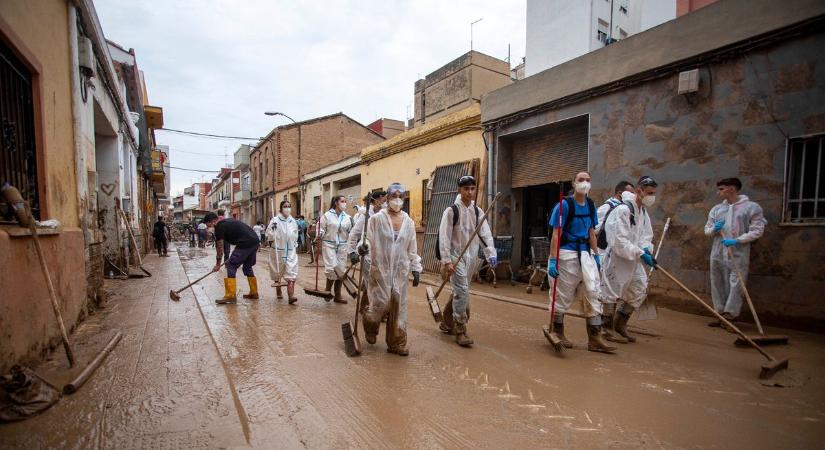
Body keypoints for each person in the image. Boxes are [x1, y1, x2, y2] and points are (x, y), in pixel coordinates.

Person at [546, 171, 616, 354]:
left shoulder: (591, 205)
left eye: (588, 180)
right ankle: (558, 330)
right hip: (566, 253)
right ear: (574, 183)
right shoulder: (564, 205)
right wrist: (553, 260)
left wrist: (596, 255)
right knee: (563, 293)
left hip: (586, 254)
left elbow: (592, 232)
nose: (585, 183)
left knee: (593, 292)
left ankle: (595, 337)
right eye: (581, 180)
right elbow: (556, 234)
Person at [361, 184, 421, 356]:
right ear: (387, 198)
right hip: (379, 269)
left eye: (401, 196)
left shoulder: (408, 222)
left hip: (400, 272)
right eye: (394, 195)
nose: (397, 199)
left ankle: (396, 342)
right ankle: (370, 326)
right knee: (380, 304)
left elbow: (412, 248)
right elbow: (366, 238)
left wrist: (416, 267)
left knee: (399, 306)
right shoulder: (377, 219)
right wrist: (362, 247)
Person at [437, 175, 497, 347]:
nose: (470, 192)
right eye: (466, 189)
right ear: (459, 190)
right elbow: (444, 237)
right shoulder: (451, 211)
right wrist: (447, 260)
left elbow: (485, 234)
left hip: (471, 255)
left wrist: (490, 253)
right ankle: (460, 328)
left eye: (472, 188)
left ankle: (446, 322)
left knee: (460, 289)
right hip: (455, 255)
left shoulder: (477, 211)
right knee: (462, 289)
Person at [601, 175, 658, 343]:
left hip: (634, 259)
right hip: (618, 260)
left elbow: (646, 235)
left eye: (654, 193)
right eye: (649, 193)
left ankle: (620, 324)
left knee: (639, 288)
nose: (652, 197)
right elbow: (619, 241)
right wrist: (641, 253)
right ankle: (606, 329)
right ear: (639, 191)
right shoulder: (623, 210)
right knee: (611, 292)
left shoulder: (643, 212)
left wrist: (646, 248)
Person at [704, 177, 766, 328]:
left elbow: (758, 230)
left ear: (732, 189)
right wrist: (714, 229)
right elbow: (707, 230)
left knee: (736, 282)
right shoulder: (717, 209)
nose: (718, 192)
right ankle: (720, 314)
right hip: (718, 250)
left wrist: (738, 240)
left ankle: (730, 315)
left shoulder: (751, 208)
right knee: (717, 281)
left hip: (738, 251)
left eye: (721, 189)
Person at [595, 180, 634, 339]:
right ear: (620, 193)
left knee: (632, 288)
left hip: (624, 254)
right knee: (607, 288)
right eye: (631, 192)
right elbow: (594, 229)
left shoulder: (630, 210)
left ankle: (618, 323)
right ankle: (605, 326)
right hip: (606, 252)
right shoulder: (607, 208)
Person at [205, 211, 261, 304]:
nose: (208, 229)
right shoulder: (227, 222)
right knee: (247, 267)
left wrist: (217, 265)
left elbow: (220, 248)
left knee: (231, 265)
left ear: (214, 221)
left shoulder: (219, 227)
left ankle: (230, 295)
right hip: (254, 241)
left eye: (208, 226)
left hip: (245, 243)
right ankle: (254, 292)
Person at [347, 190, 387, 315]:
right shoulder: (365, 216)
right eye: (383, 200)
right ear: (376, 200)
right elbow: (354, 234)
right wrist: (352, 252)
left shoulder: (386, 215)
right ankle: (373, 309)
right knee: (374, 281)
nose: (385, 203)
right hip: (367, 252)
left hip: (382, 253)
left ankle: (365, 306)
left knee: (374, 282)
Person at [317, 195, 353, 303]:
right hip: (329, 245)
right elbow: (321, 228)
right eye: (342, 201)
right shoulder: (327, 216)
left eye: (345, 201)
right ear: (336, 203)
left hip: (342, 245)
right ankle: (328, 291)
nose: (344, 203)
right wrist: (320, 234)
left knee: (341, 270)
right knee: (332, 268)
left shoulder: (347, 217)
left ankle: (338, 295)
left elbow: (351, 231)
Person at [266, 201, 300, 303]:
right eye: (285, 207)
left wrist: (294, 244)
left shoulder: (293, 221)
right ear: (281, 209)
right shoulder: (275, 220)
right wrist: (273, 234)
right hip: (278, 250)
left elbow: (295, 234)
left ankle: (291, 296)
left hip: (290, 251)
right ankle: (278, 289)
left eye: (289, 206)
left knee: (291, 272)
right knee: (277, 271)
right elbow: (268, 233)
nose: (287, 208)